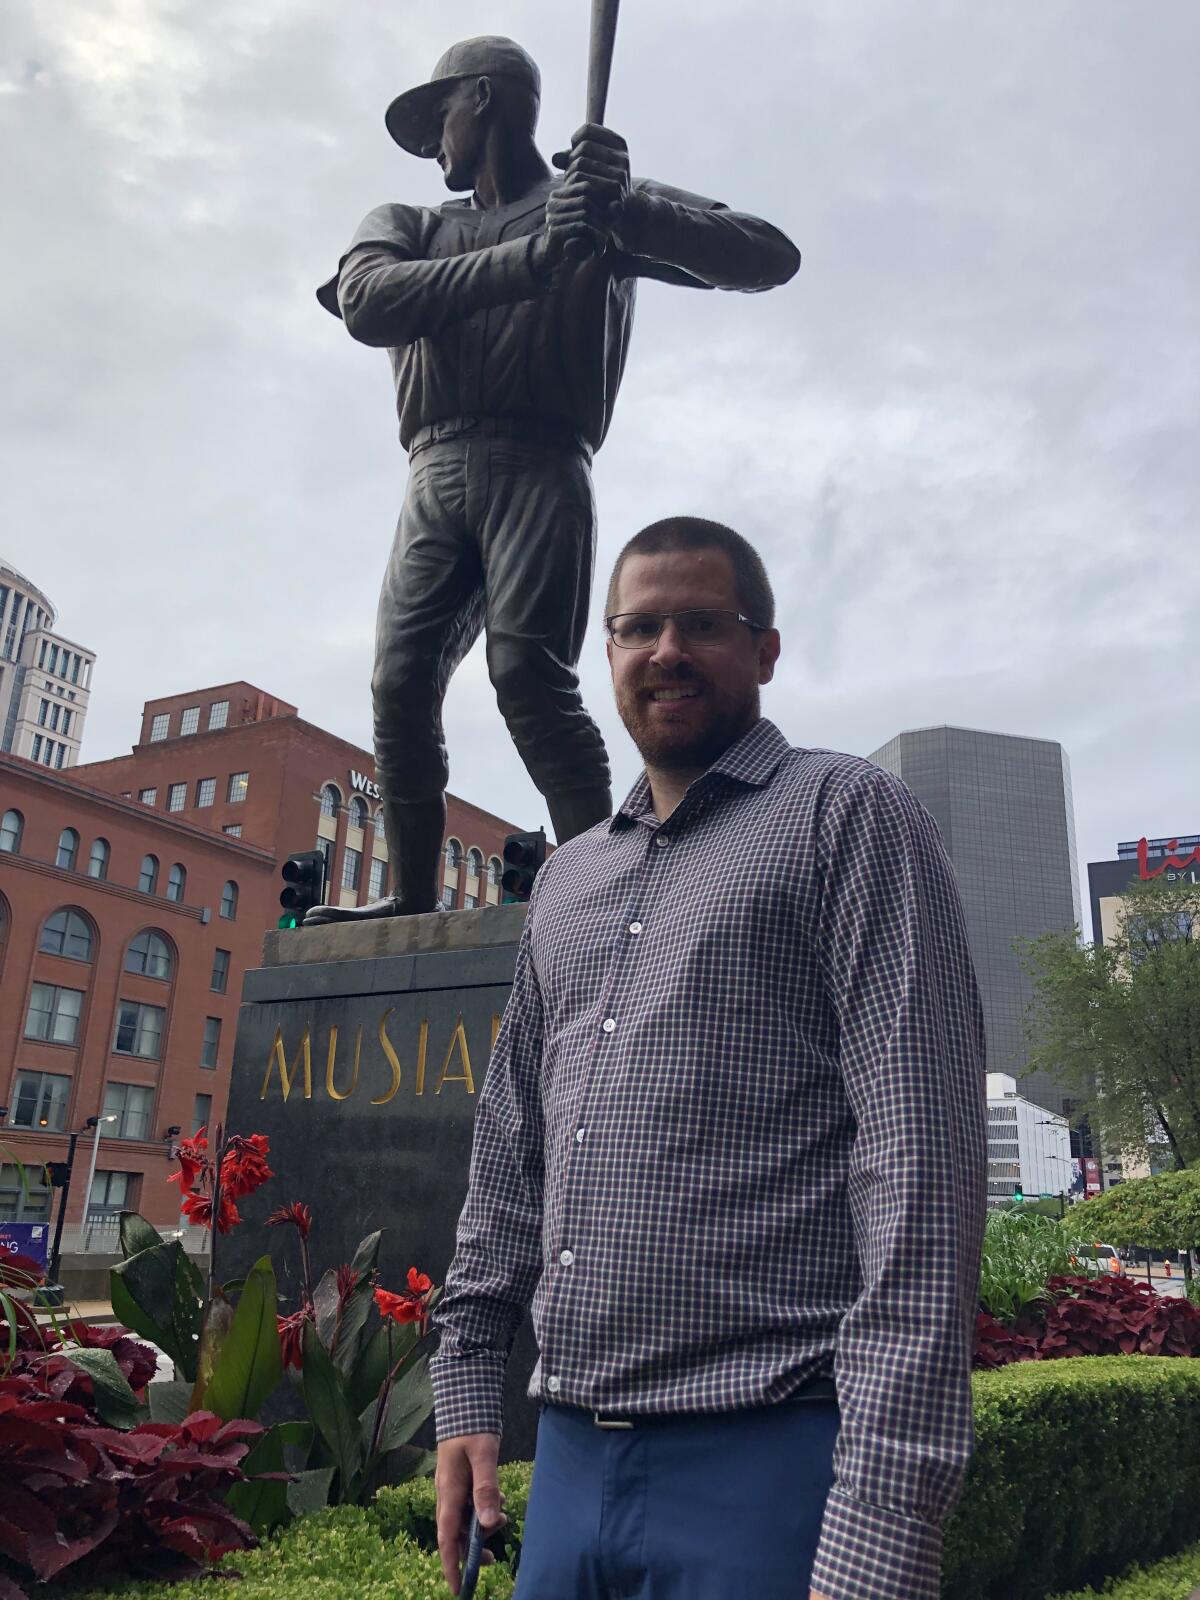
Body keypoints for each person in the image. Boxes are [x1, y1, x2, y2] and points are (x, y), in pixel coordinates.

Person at [431, 516, 988, 1600]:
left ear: (766, 649)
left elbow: (920, 1168)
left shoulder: (846, 815)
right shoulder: (568, 878)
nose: (666, 649)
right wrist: (464, 1383)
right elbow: (509, 1150)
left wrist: (881, 1524)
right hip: (572, 1464)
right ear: (607, 655)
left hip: (773, 1460)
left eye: (702, 623)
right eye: (637, 627)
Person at [306, 37, 799, 923]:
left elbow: (766, 255)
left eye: (440, 116)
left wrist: (631, 210)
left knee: (529, 675)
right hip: (435, 468)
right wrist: (535, 257)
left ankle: (596, 894)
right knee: (398, 685)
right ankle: (413, 897)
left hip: (543, 461)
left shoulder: (597, 205)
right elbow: (368, 302)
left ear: (484, 99)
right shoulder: (411, 222)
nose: (434, 146)